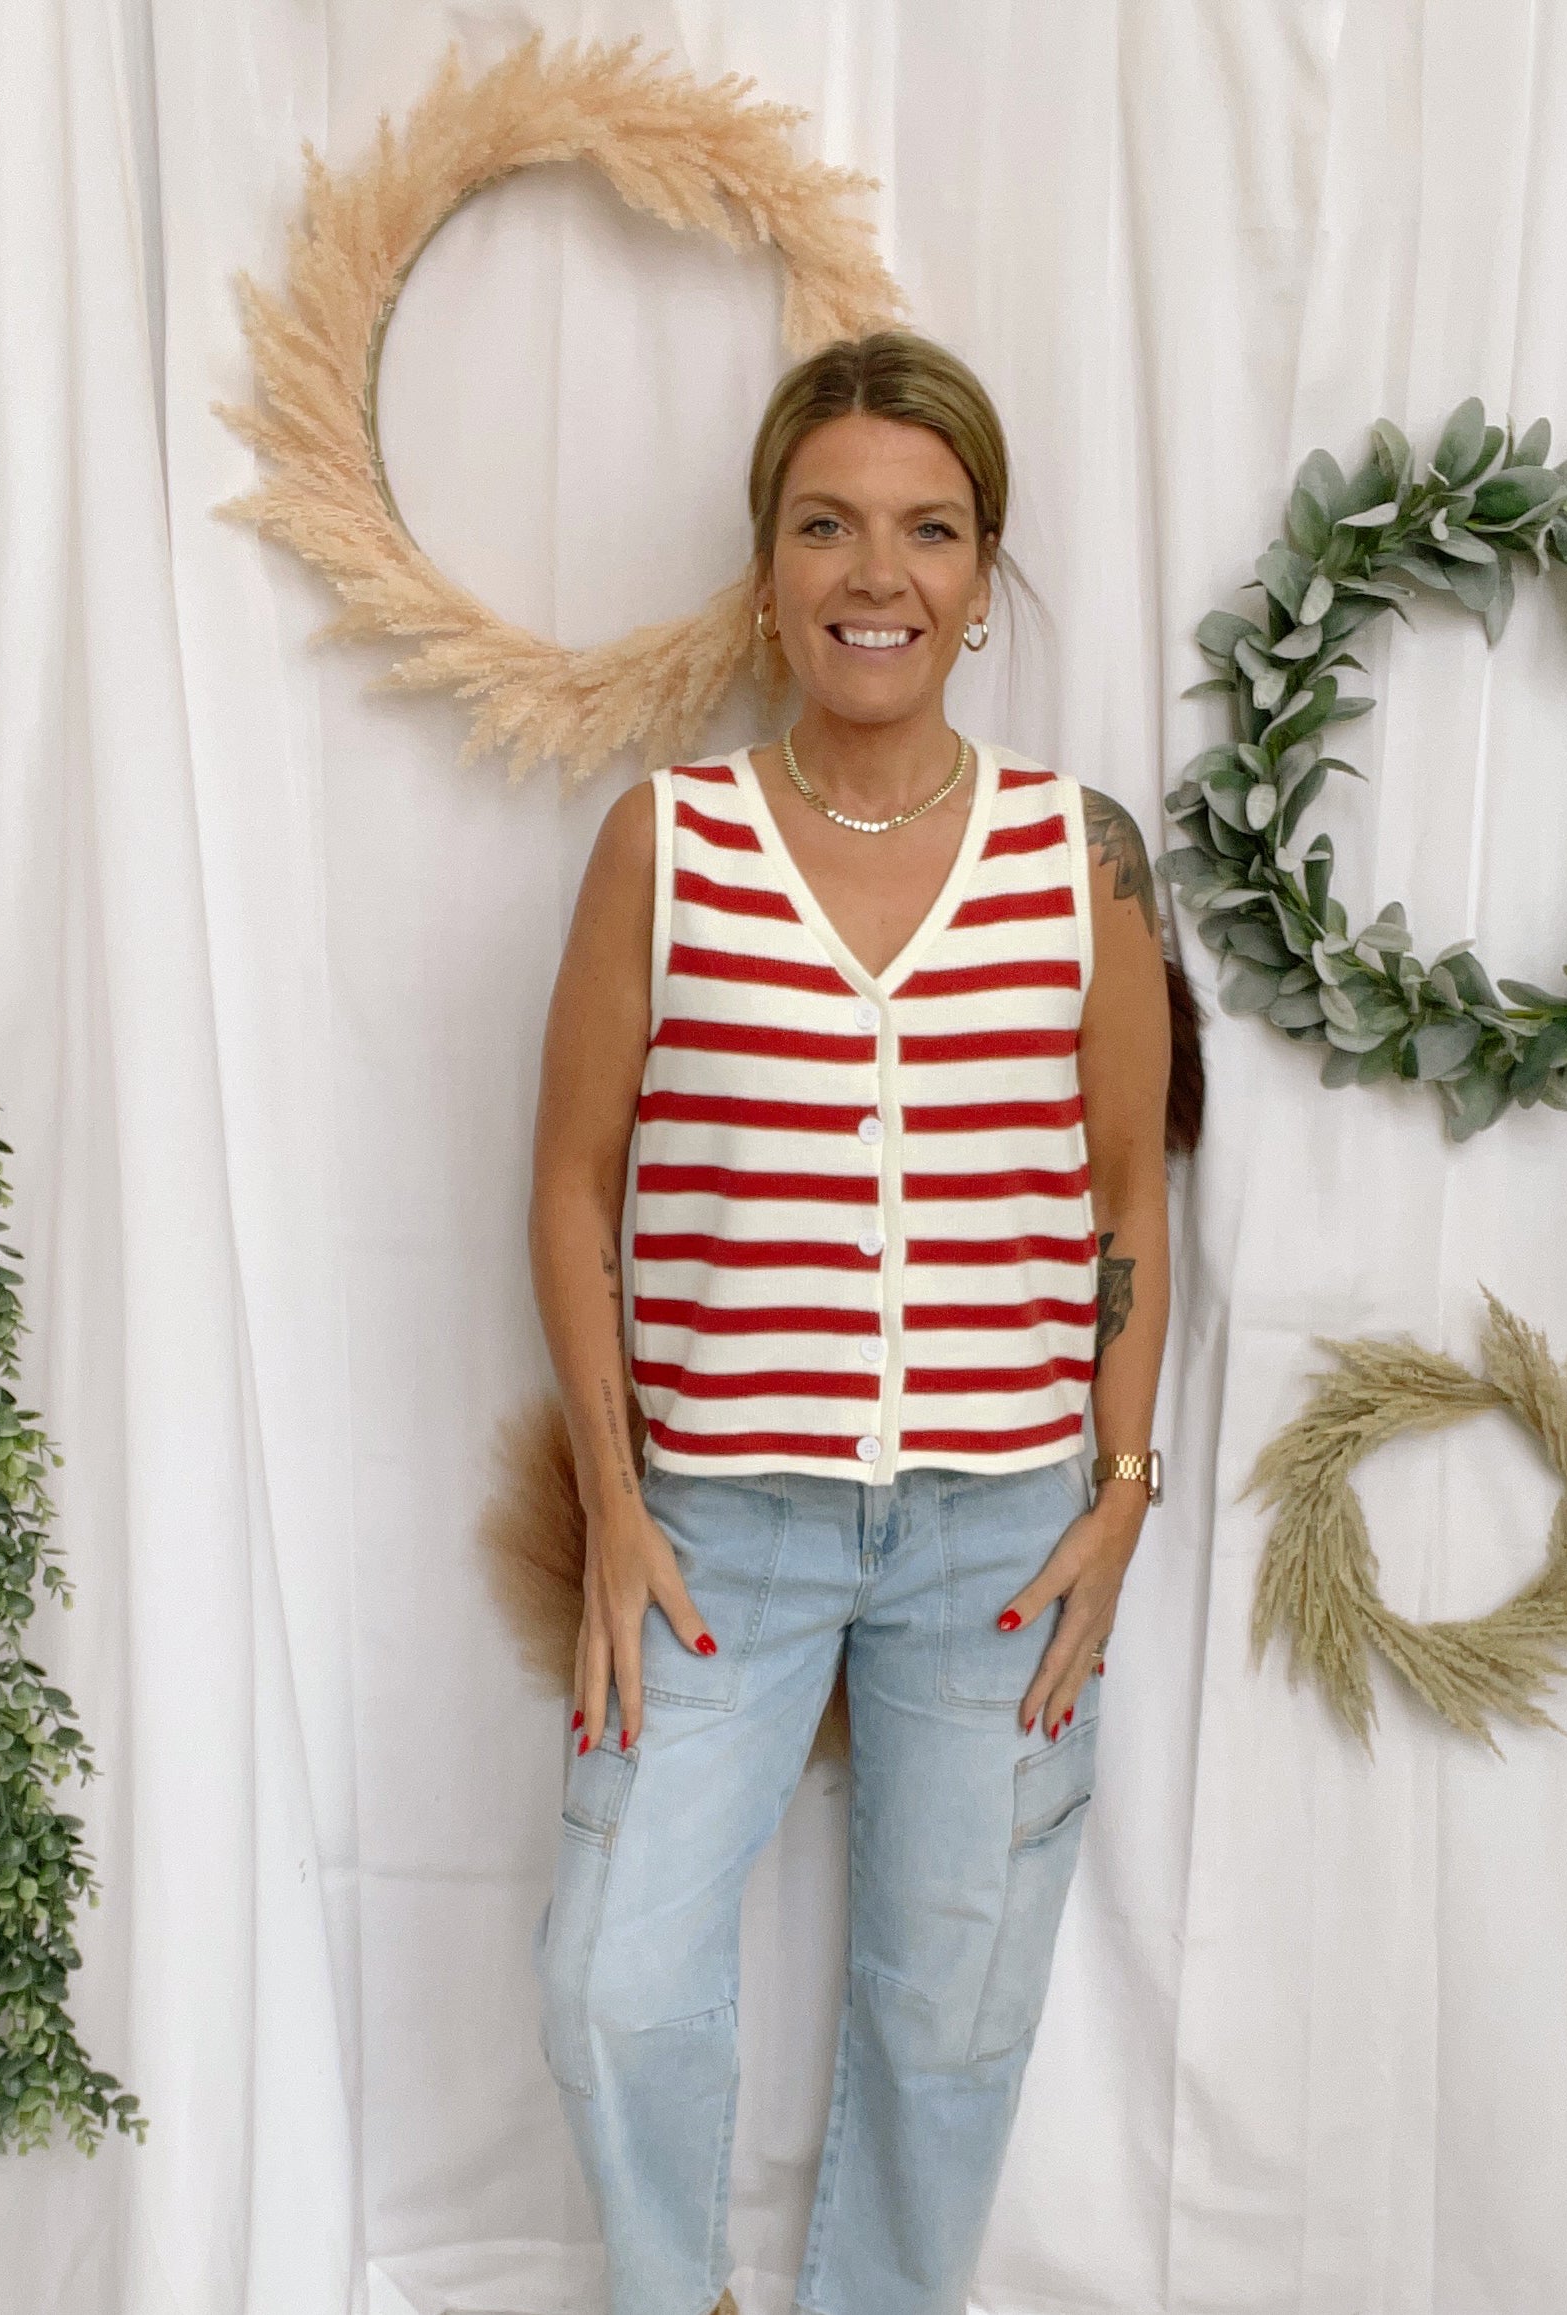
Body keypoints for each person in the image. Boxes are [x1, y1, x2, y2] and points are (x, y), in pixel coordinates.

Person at [526, 329, 1174, 2315]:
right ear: (764, 561)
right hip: (719, 1534)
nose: (873, 573)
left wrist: (1124, 1487)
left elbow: (1131, 1203)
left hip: (1004, 1535)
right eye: (826, 525)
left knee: (952, 2020)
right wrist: (618, 1512)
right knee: (613, 1981)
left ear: (986, 575)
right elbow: (571, 1186)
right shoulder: (672, 844)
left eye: (926, 529)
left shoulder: (1082, 862)